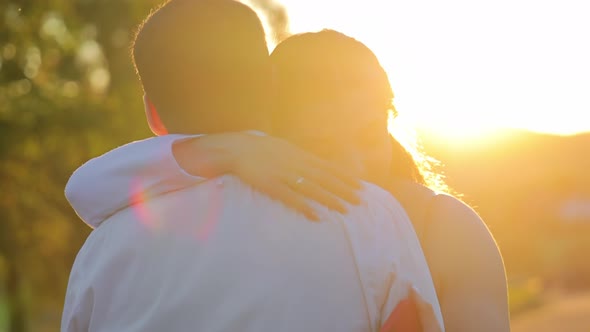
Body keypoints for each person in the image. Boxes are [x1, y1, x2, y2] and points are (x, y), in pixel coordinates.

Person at [67, 28, 511, 331]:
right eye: (322, 147)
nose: (354, 166)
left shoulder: (446, 228)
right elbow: (91, 189)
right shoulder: (252, 219)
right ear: (272, 143)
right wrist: (229, 150)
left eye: (368, 136)